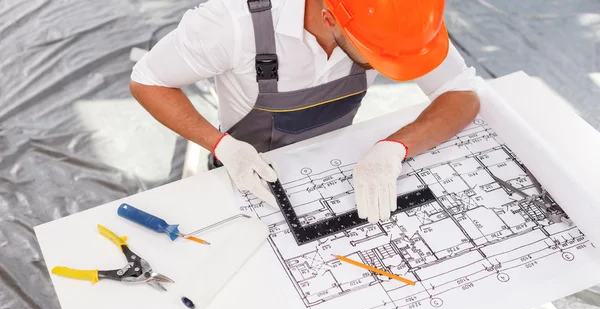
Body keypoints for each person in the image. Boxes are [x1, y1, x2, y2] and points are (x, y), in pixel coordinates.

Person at [130, 0, 482, 223]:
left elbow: (462, 93)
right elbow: (148, 80)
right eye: (377, 58)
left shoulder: (398, 17)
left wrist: (395, 147)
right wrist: (222, 146)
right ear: (330, 18)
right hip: (245, 175)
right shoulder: (233, 24)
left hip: (336, 173)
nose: (384, 68)